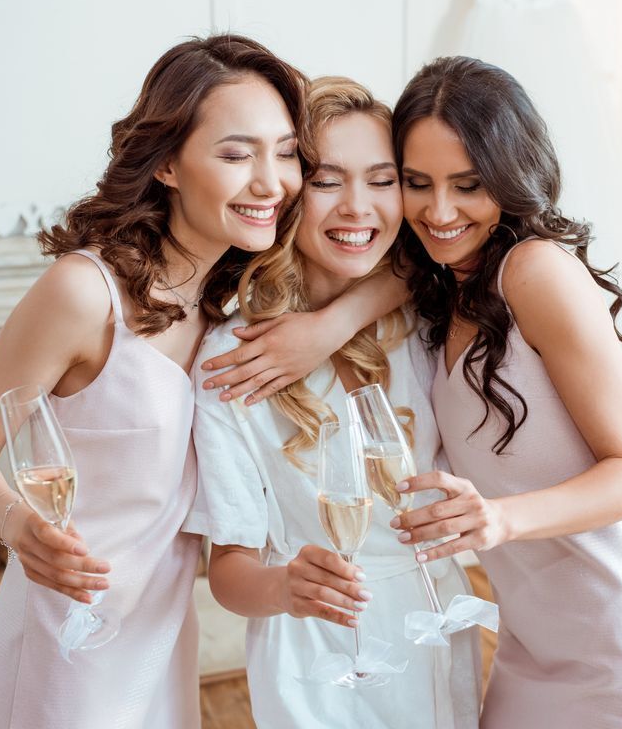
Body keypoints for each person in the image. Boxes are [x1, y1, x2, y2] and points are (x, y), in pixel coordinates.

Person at [0, 34, 312, 728]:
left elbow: (400, 266)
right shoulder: (83, 294)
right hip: (65, 635)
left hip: (163, 635)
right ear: (167, 163)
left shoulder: (229, 305)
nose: (272, 182)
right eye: (236, 154)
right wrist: (18, 527)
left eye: (285, 152)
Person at [390, 56, 622, 728]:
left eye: (468, 185)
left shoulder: (535, 274)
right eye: (418, 183)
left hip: (615, 648)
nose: (438, 211)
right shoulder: (444, 286)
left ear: (509, 176)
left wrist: (502, 520)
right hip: (528, 646)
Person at [185, 77, 482, 728]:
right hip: (317, 653)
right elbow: (229, 569)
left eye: (382, 180)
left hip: (434, 620)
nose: (359, 207)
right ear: (291, 190)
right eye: (327, 181)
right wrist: (286, 587)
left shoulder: (423, 320)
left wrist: (332, 325)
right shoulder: (232, 356)